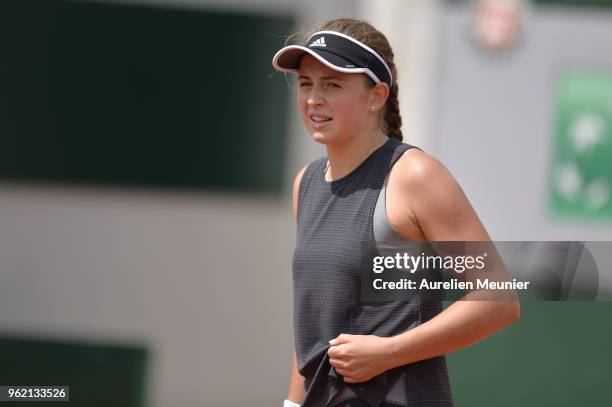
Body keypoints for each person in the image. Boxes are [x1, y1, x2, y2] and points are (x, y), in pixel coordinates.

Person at [271, 18, 520, 407]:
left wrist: (389, 351)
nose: (313, 98)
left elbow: (498, 300)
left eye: (332, 85)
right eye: (306, 83)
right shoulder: (305, 183)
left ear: (376, 96)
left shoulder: (415, 175)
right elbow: (312, 321)